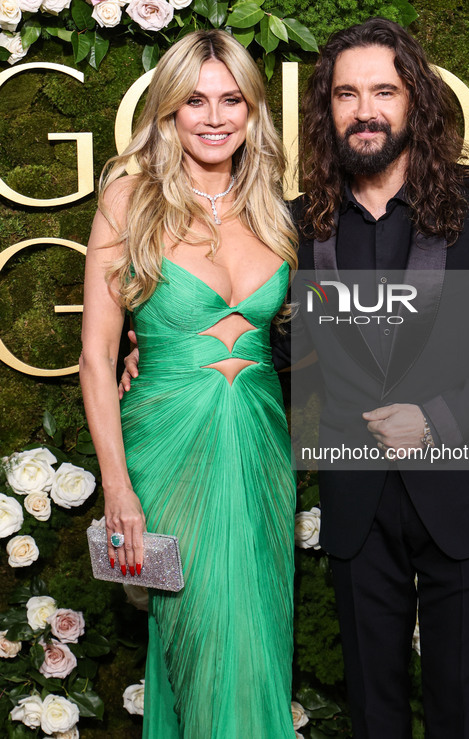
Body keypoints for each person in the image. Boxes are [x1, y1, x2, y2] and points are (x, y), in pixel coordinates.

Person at [120, 18, 469, 739]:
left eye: (383, 91)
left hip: (458, 486)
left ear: (414, 100)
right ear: (325, 110)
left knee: (459, 702)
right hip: (356, 499)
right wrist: (148, 355)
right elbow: (248, 325)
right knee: (372, 708)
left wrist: (438, 417)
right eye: (346, 94)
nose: (366, 109)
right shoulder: (297, 222)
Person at [79, 30, 298, 739]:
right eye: (194, 100)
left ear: (252, 109)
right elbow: (95, 356)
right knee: (204, 643)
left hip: (261, 446)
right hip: (168, 448)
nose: (213, 117)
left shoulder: (271, 203)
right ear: (168, 110)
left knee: (258, 643)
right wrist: (118, 488)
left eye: (231, 99)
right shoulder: (130, 196)